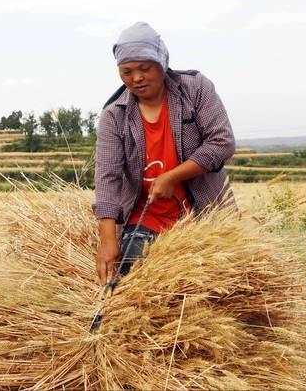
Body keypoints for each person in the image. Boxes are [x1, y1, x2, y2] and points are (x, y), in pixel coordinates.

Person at [93, 21, 236, 286]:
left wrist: (173, 177)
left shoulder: (195, 89)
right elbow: (107, 177)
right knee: (132, 281)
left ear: (162, 62)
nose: (136, 78)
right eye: (126, 71)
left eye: (144, 68)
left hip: (203, 212)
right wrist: (108, 240)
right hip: (148, 216)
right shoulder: (115, 115)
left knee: (212, 287)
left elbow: (222, 142)